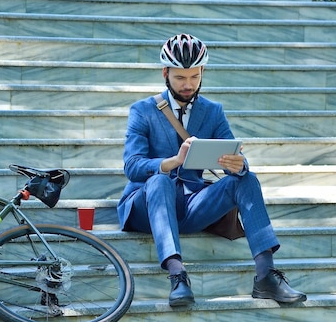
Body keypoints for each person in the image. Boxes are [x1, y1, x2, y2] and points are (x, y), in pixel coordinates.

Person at [117, 33, 307, 307]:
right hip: (146, 206)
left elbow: (237, 157)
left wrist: (238, 165)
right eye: (180, 78)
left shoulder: (213, 111)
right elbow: (132, 167)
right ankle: (177, 275)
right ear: (165, 73)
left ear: (202, 72)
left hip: (192, 205)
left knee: (246, 179)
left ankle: (266, 275)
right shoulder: (143, 111)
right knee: (160, 181)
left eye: (194, 77)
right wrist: (173, 161)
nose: (188, 84)